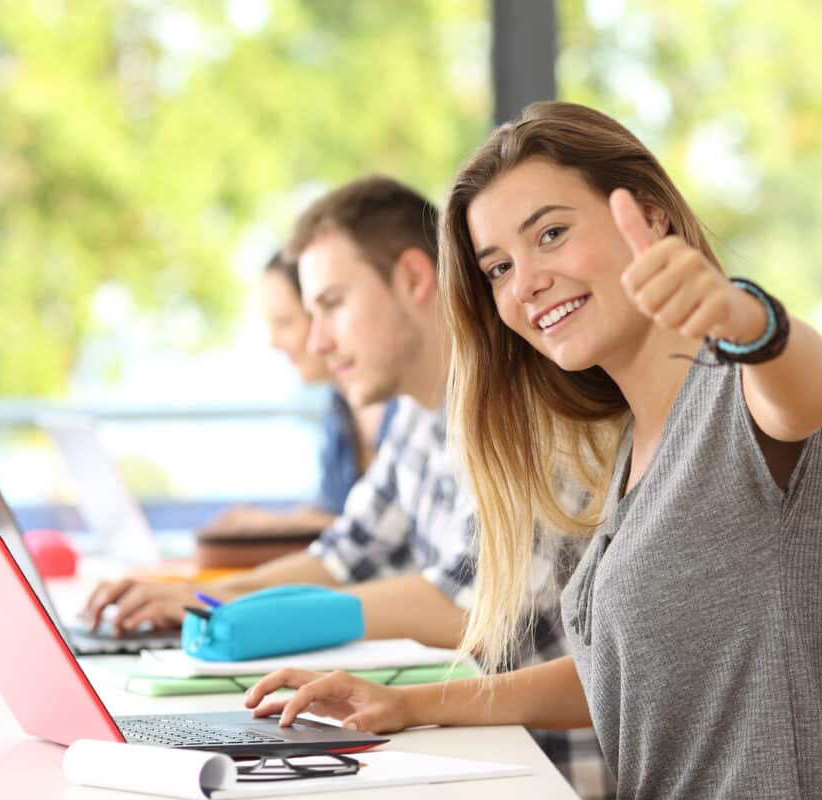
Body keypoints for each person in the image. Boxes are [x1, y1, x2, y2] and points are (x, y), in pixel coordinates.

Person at [242, 103, 822, 799]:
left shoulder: (738, 391)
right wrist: (409, 705)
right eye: (498, 269)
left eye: (551, 234)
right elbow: (611, 676)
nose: (525, 283)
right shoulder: (632, 445)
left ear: (650, 215)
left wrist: (746, 317)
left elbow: (811, 393)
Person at [82, 176, 615, 800]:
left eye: (332, 304)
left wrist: (262, 617)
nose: (316, 342)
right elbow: (343, 554)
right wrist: (210, 599)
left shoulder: (527, 412)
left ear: (415, 280)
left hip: (546, 775)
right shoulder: (420, 412)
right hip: (476, 750)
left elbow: (470, 607)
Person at [198, 250, 395, 537]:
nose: (273, 342)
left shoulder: (413, 407)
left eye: (284, 322)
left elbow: (391, 532)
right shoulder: (338, 412)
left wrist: (276, 525)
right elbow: (338, 517)